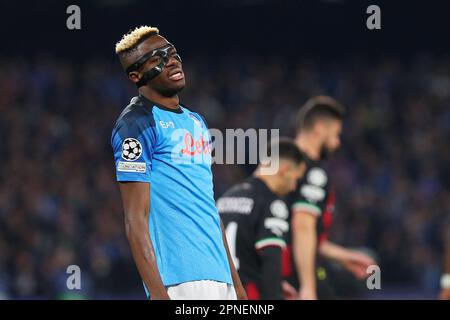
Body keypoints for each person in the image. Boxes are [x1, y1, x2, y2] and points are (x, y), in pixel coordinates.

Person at [111, 25, 246, 300]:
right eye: (156, 57)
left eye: (172, 53)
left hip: (220, 277)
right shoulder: (135, 125)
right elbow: (135, 220)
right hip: (181, 281)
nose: (171, 60)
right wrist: (160, 295)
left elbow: (208, 208)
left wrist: (237, 287)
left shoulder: (196, 121)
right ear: (136, 75)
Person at [287, 96, 377, 300]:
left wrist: (345, 257)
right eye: (335, 134)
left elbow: (296, 233)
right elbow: (302, 227)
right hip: (294, 277)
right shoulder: (313, 173)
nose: (337, 143)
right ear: (319, 128)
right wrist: (308, 288)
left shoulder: (277, 167)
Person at [218, 138, 305, 299]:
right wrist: (274, 292)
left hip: (218, 291)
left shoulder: (225, 198)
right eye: (295, 179)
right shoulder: (272, 203)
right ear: (284, 170)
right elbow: (271, 259)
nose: (294, 186)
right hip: (248, 293)